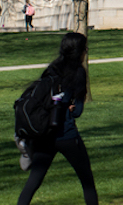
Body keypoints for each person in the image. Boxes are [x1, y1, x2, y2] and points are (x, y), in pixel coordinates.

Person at [15, 32, 99, 205]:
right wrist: (70, 107)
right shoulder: (78, 72)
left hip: (45, 133)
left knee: (34, 180)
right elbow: (77, 112)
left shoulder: (52, 69)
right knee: (87, 181)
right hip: (66, 134)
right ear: (80, 51)